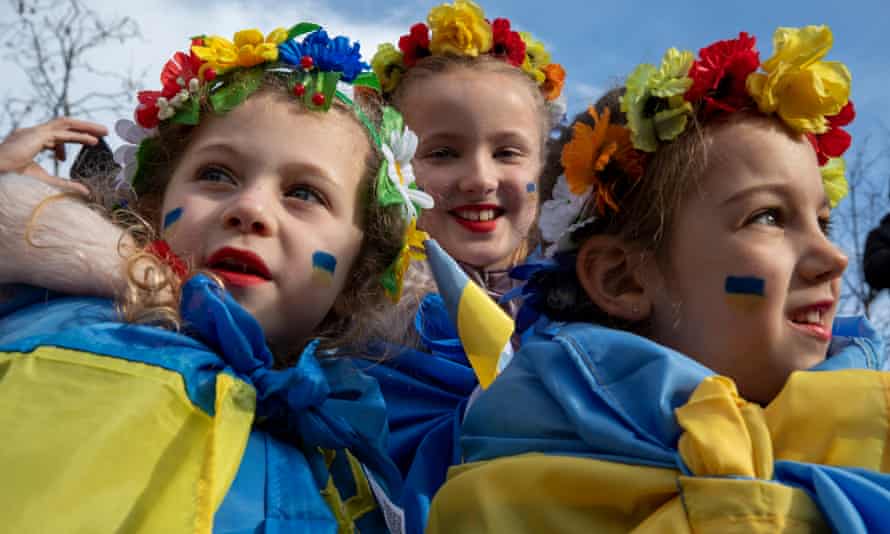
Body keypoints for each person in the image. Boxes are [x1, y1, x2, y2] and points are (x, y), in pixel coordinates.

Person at [426, 26, 890, 533]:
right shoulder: (501, 502)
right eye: (769, 217)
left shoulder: (877, 435)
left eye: (823, 223)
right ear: (623, 279)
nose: (833, 256)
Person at [0, 22, 431, 532]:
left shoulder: (354, 459)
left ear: (359, 272)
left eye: (305, 194)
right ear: (155, 207)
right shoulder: (60, 345)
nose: (249, 208)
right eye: (216, 175)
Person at [359, 2, 566, 530]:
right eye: (443, 153)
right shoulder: (348, 311)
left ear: (541, 170)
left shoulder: (582, 320)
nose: (479, 177)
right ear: (390, 164)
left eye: (508, 153)